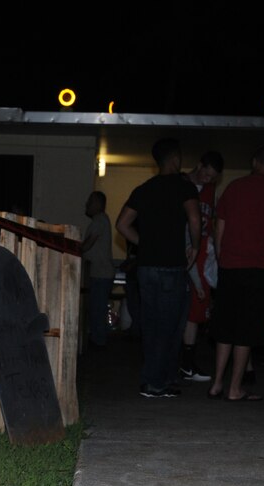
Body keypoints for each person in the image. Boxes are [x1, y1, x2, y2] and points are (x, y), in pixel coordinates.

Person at [207, 143, 264, 401]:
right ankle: (235, 388)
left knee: (225, 327)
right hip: (258, 270)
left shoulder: (233, 188)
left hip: (230, 267)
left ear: (254, 161)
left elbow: (218, 230)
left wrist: (223, 261)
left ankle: (217, 384)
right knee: (245, 329)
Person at [116, 138, 200, 398]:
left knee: (151, 324)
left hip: (146, 267)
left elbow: (122, 224)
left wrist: (145, 242)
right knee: (171, 325)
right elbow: (194, 217)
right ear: (175, 159)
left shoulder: (144, 189)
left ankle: (155, 380)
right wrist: (195, 246)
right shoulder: (183, 188)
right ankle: (156, 381)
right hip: (171, 267)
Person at [179, 151, 224, 382]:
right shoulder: (182, 184)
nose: (208, 180)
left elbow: (211, 221)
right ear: (199, 165)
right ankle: (177, 361)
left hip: (201, 255)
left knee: (196, 311)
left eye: (213, 178)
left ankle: (187, 362)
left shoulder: (209, 191)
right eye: (206, 174)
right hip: (181, 252)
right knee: (177, 309)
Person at [81, 190, 116, 349]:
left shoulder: (99, 221)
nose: (87, 205)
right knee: (97, 308)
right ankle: (98, 338)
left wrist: (73, 249)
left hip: (100, 273)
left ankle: (99, 341)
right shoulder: (101, 220)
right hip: (101, 272)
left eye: (90, 201)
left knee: (97, 308)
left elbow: (87, 244)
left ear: (97, 204)